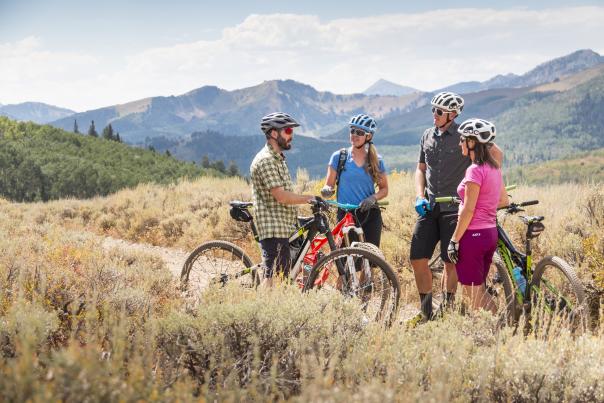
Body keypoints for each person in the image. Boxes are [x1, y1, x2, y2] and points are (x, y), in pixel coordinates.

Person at [409, 92, 503, 322]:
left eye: (439, 112)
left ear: (452, 114)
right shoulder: (427, 135)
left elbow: (496, 153)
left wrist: (489, 184)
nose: (435, 115)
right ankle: (426, 310)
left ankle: (447, 308)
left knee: (450, 262)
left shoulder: (465, 136)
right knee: (417, 258)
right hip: (429, 208)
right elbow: (420, 169)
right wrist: (420, 196)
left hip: (455, 209)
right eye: (433, 110)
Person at [447, 118, 509, 313]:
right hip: (489, 234)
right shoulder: (495, 168)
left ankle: (496, 330)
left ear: (472, 143)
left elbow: (469, 209)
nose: (459, 143)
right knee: (479, 289)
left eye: (462, 139)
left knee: (474, 297)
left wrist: (454, 240)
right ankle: (495, 329)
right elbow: (503, 201)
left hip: (472, 236)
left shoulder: (474, 170)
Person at [250, 112, 315, 287]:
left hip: (283, 225)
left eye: (291, 131)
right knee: (273, 280)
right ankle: (261, 313)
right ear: (273, 133)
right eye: (287, 130)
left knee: (285, 275)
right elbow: (281, 196)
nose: (291, 135)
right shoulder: (267, 160)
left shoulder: (278, 159)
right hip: (273, 228)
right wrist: (309, 199)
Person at [320, 114, 389, 247]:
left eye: (359, 132)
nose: (354, 135)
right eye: (352, 131)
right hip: (345, 216)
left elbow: (384, 189)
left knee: (369, 261)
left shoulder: (377, 161)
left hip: (370, 215)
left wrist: (372, 198)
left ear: (368, 136)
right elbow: (329, 185)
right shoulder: (339, 157)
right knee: (346, 261)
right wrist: (327, 191)